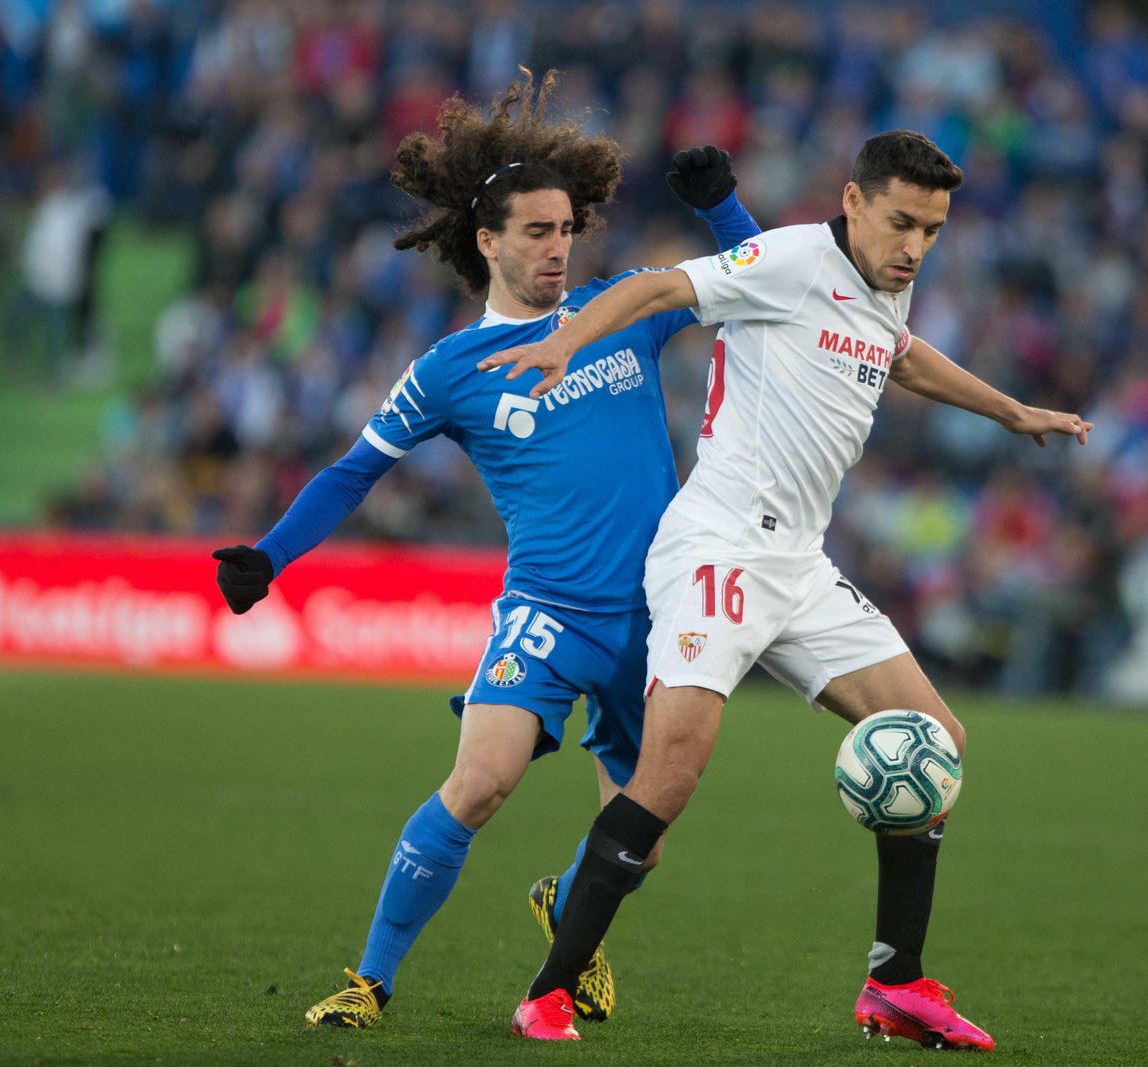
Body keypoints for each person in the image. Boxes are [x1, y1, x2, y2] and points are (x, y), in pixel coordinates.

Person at [484, 130, 1093, 1048]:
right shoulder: (787, 258)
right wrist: (563, 341)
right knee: (671, 775)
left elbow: (903, 353)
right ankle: (551, 987)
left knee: (937, 740)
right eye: (901, 222)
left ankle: (897, 980)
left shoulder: (888, 280)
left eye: (932, 229)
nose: (916, 246)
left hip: (799, 565)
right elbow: (659, 288)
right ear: (852, 202)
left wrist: (1011, 411)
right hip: (717, 551)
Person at [209, 72, 761, 1027]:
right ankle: (371, 981)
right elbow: (352, 471)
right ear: (488, 240)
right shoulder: (449, 373)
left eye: (566, 229)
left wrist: (724, 208)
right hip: (548, 612)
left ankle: (567, 905)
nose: (557, 248)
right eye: (537, 232)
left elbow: (754, 281)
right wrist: (271, 554)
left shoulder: (623, 308)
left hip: (659, 620)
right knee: (480, 781)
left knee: (644, 842)